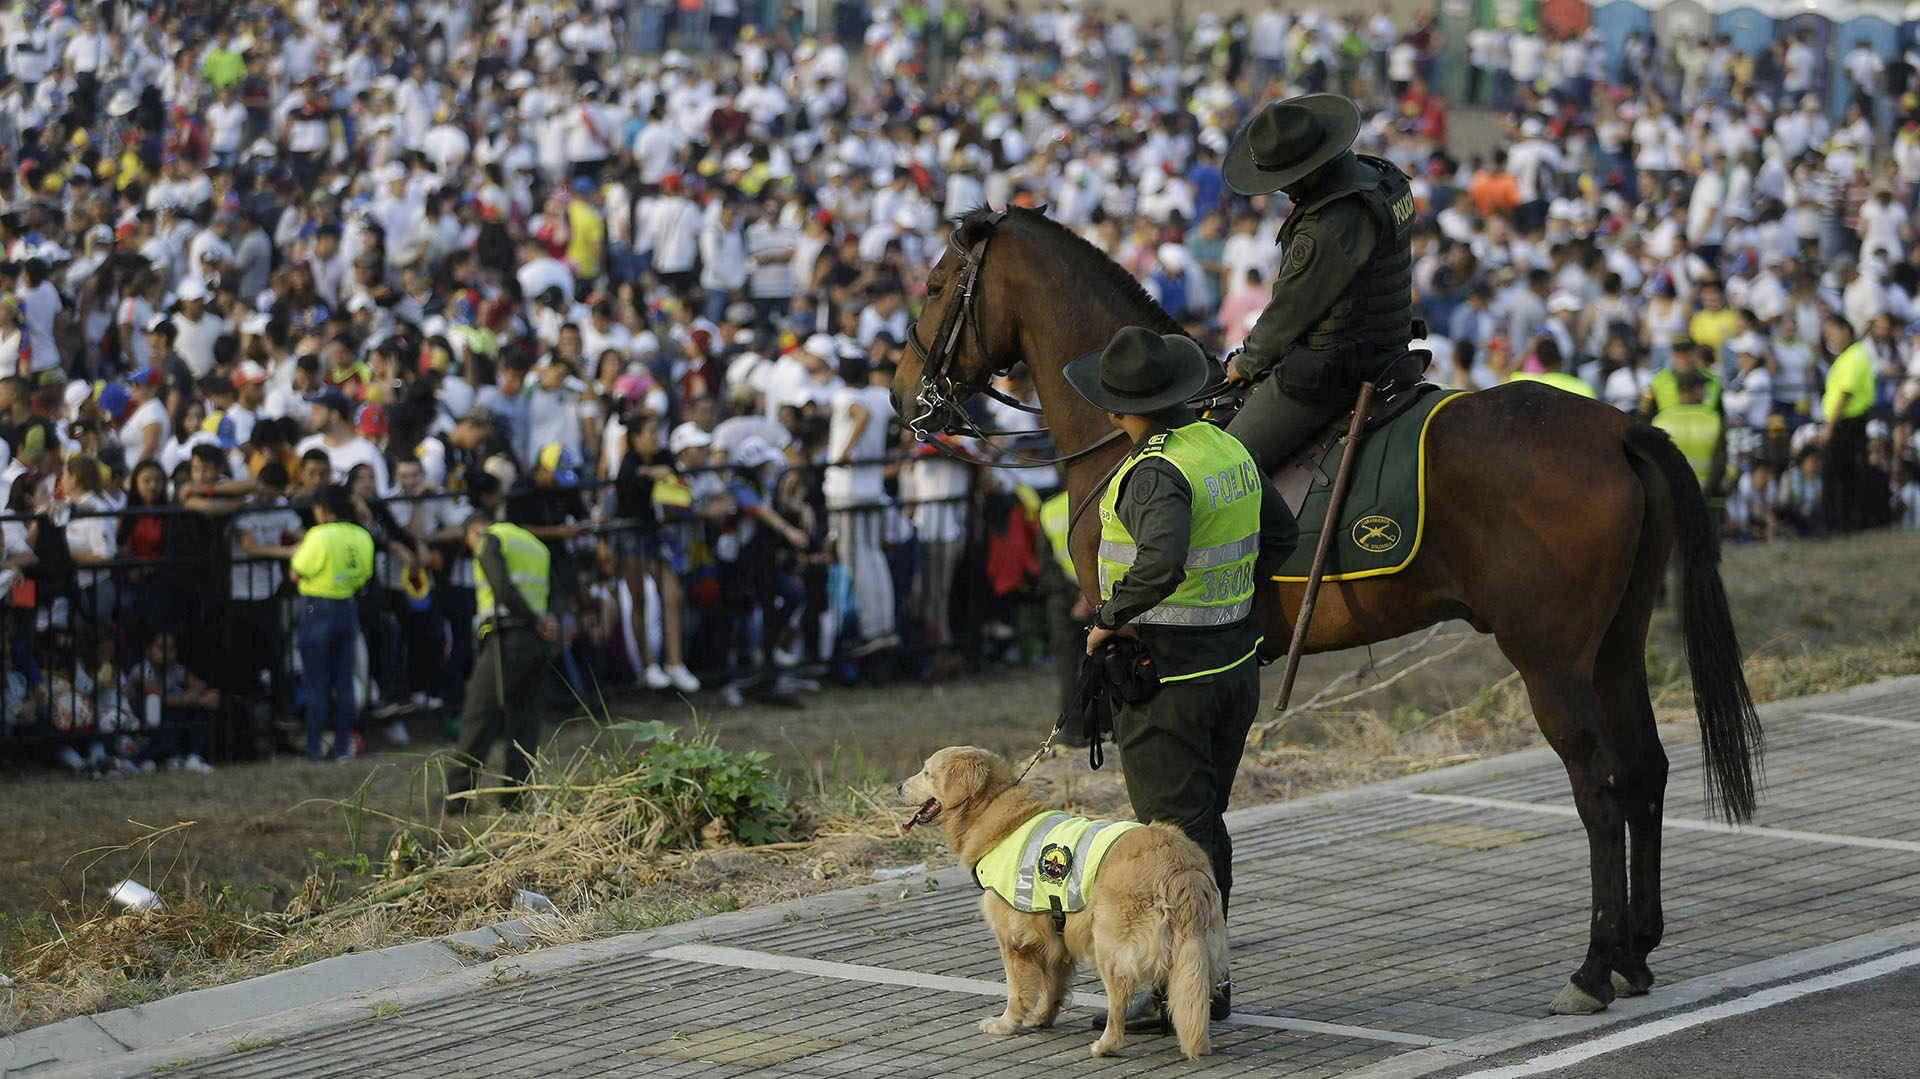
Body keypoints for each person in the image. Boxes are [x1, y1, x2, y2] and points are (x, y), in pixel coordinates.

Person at [1061, 326, 1297, 1028]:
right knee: (1205, 828)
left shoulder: (1154, 470)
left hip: (1168, 682)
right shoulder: (1225, 446)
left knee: (1175, 842)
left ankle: (1190, 992)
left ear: (1116, 408)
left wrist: (1108, 615)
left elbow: (1159, 560)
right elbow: (1280, 537)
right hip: (1231, 667)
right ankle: (1206, 976)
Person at [1220, 94, 1419, 472]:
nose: (1281, 189)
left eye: (1286, 179)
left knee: (1225, 466)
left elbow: (1288, 312)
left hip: (1334, 371)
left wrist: (1245, 364)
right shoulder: (1378, 176)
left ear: (1312, 168)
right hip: (1390, 348)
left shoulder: (1328, 224)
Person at [444, 512, 558, 810]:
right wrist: (544, 624)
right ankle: (515, 796)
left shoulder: (489, 539)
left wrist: (532, 621)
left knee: (478, 716)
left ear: (473, 529)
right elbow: (552, 591)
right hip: (537, 642)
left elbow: (502, 586)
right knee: (526, 723)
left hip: (506, 637)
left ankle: (458, 797)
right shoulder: (535, 545)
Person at [288, 484, 374, 761]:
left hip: (317, 607)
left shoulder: (319, 535)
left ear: (322, 509)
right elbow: (365, 575)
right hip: (348, 606)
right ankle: (342, 745)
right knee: (345, 682)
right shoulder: (362, 535)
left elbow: (296, 571)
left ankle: (313, 746)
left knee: (317, 683)